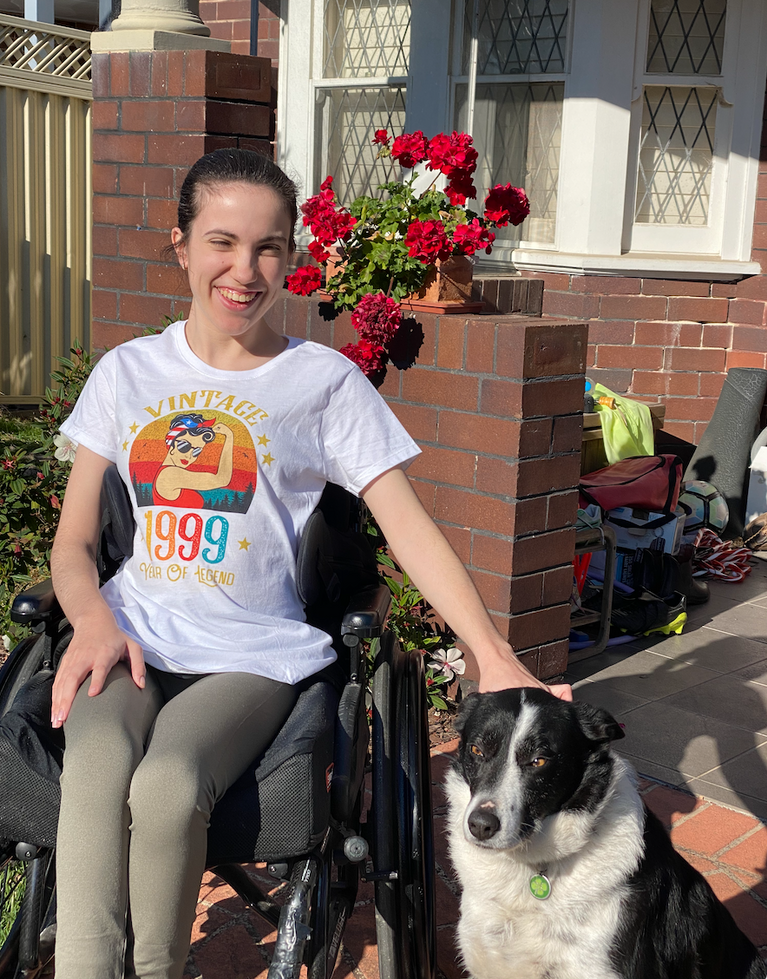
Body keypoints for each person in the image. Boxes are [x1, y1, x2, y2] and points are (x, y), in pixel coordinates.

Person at [50, 147, 572, 979]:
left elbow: (408, 526)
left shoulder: (320, 382)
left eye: (268, 248)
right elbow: (74, 541)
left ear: (290, 257)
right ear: (181, 246)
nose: (244, 270)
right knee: (96, 765)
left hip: (251, 654)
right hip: (132, 635)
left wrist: (493, 654)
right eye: (221, 242)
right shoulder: (128, 373)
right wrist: (90, 619)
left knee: (168, 782)